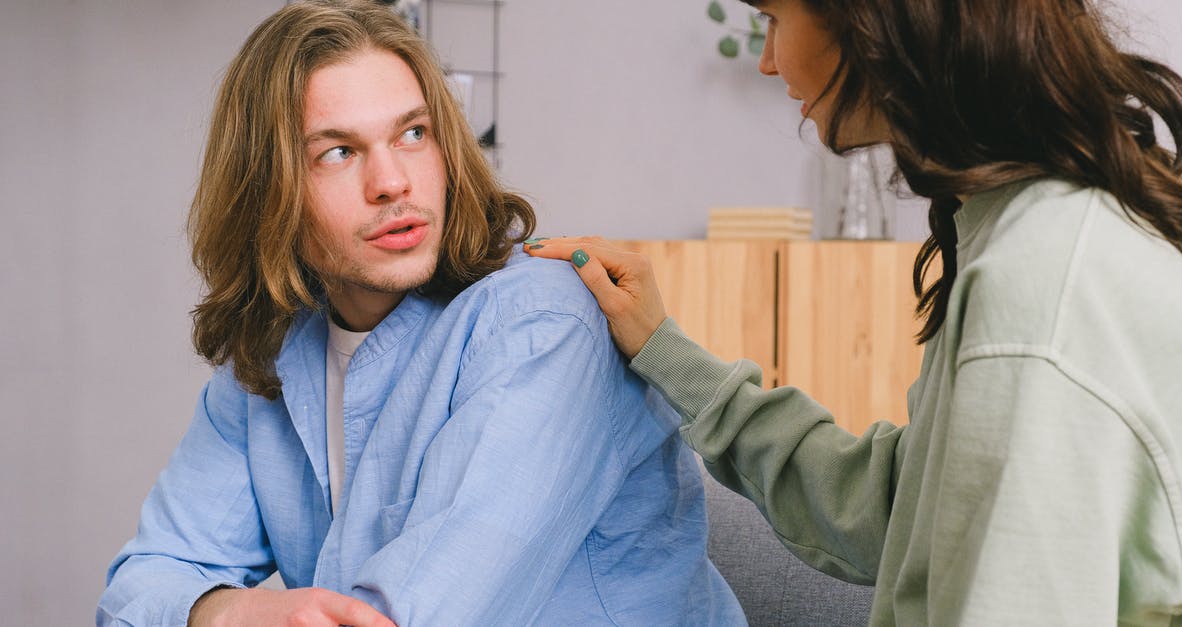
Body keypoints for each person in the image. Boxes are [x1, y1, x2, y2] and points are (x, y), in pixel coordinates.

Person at [528, 0, 1182, 623]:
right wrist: (665, 349)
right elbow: (897, 511)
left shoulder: (1040, 289)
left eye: (772, 17)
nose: (767, 60)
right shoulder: (1023, 229)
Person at [96, 2, 745, 625]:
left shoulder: (545, 322)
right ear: (269, 192)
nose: (392, 182)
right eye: (338, 152)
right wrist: (226, 609)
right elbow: (140, 584)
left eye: (413, 133)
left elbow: (414, 615)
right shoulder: (267, 365)